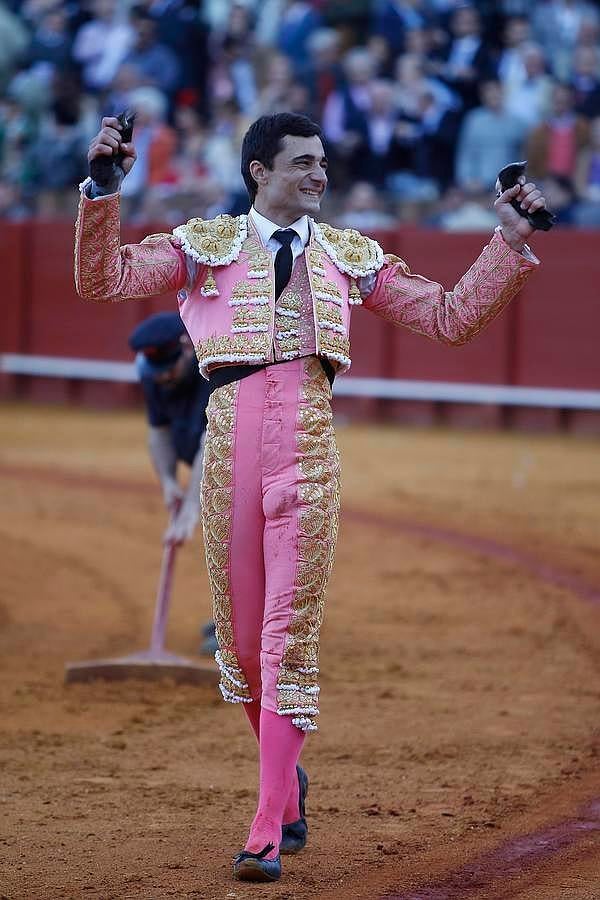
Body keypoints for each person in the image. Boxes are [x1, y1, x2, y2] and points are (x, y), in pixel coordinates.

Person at [75, 111, 546, 883]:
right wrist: (102, 190)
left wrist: (509, 241)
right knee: (243, 651)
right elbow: (103, 280)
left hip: (308, 448)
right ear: (258, 170)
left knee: (285, 641)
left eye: (322, 161)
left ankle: (264, 828)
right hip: (228, 448)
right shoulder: (208, 245)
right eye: (302, 162)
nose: (319, 174)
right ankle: (285, 787)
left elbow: (450, 318)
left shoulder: (345, 254)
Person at [128, 311, 216, 653]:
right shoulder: (153, 374)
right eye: (157, 373)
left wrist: (193, 504)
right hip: (204, 460)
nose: (163, 378)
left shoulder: (215, 369)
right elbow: (158, 431)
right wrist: (167, 481)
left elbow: (215, 442)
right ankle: (236, 618)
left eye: (169, 370)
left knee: (244, 539)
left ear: (188, 349)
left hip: (246, 461)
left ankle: (247, 630)